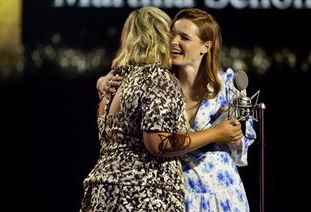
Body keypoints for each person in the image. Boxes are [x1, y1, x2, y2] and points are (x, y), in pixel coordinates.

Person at [81, 6, 243, 212]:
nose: (174, 42)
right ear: (159, 36)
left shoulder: (119, 80)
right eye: (171, 35)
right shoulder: (157, 79)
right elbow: (159, 144)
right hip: (143, 193)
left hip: (107, 190)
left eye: (183, 37)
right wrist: (215, 133)